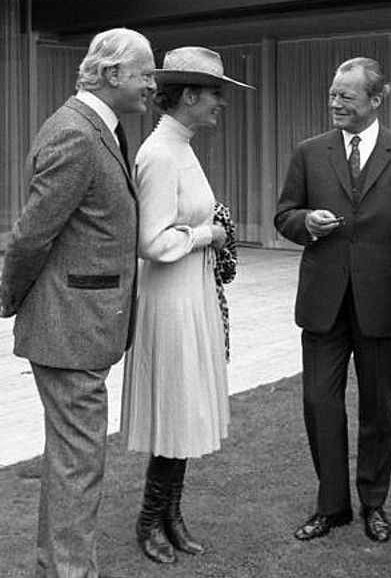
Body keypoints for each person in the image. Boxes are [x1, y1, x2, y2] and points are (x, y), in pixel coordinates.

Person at [0, 28, 155, 578]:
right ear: (111, 76)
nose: (153, 84)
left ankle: (57, 568)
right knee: (79, 464)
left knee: (72, 462)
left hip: (81, 327)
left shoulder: (99, 129)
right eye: (146, 73)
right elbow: (34, 233)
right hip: (69, 329)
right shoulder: (77, 134)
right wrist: (11, 292)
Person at [274, 57, 391, 543]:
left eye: (346, 95)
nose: (335, 102)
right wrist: (307, 224)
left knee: (377, 408)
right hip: (323, 301)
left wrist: (388, 264)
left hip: (380, 300)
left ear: (376, 100)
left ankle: (374, 503)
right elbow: (284, 215)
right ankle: (332, 507)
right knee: (318, 402)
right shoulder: (308, 152)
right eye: (332, 94)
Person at [120, 46, 254, 564]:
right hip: (170, 295)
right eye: (215, 93)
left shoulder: (182, 146)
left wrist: (204, 233)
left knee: (185, 405)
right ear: (190, 96)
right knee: (174, 405)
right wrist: (209, 233)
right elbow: (150, 241)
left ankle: (171, 514)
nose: (221, 102)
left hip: (189, 290)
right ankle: (150, 519)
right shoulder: (158, 154)